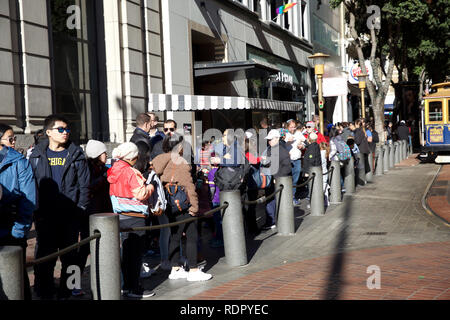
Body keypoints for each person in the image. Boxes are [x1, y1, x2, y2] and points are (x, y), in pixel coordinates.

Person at [29, 114, 91, 300]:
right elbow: (32, 185)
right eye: (61, 129)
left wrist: (79, 210)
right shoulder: (37, 156)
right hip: (45, 217)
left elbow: (84, 186)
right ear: (49, 132)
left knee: (71, 258)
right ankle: (43, 292)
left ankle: (70, 291)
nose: (65, 133)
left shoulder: (76, 154)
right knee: (44, 258)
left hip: (70, 217)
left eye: (67, 129)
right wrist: (36, 212)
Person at [152, 134, 212, 282]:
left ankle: (175, 268)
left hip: (169, 203)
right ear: (178, 147)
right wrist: (194, 206)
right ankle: (193, 269)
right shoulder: (181, 162)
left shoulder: (158, 160)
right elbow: (189, 186)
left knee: (175, 235)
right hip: (183, 203)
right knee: (191, 235)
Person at [107, 142, 156, 298]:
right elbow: (141, 194)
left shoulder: (114, 169)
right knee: (135, 255)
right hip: (135, 216)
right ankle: (134, 288)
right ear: (133, 156)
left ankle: (126, 286)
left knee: (127, 253)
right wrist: (151, 186)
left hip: (120, 216)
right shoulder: (130, 172)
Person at [0, 123, 36, 300]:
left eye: (14, 138)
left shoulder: (19, 162)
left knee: (17, 282)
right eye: (10, 138)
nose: (13, 141)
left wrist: (18, 231)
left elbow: (28, 200)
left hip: (11, 230)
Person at [74, 140, 112, 296]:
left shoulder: (102, 167)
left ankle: (106, 280)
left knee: (103, 248)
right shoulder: (88, 168)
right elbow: (87, 186)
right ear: (97, 155)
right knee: (83, 250)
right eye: (104, 152)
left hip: (102, 213)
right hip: (89, 214)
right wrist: (104, 178)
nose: (106, 155)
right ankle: (74, 284)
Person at [260, 129, 291, 230]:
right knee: (270, 199)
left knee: (277, 200)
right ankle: (271, 220)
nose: (269, 141)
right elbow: (264, 160)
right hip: (270, 179)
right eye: (268, 139)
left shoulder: (282, 150)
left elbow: (287, 167)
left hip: (278, 180)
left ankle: (277, 221)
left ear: (277, 138)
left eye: (271, 139)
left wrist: (277, 178)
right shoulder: (270, 149)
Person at [285, 119, 306, 205]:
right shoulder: (284, 134)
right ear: (287, 127)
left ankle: (293, 196)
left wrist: (302, 146)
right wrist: (287, 141)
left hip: (297, 159)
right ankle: (287, 197)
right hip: (288, 160)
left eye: (294, 127)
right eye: (291, 127)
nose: (293, 129)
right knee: (287, 178)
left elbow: (304, 143)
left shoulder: (298, 133)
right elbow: (279, 145)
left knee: (295, 179)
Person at [130, 113, 153, 178]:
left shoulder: (135, 136)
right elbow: (142, 162)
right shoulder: (143, 139)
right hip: (142, 174)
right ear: (146, 124)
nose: (151, 126)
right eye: (150, 124)